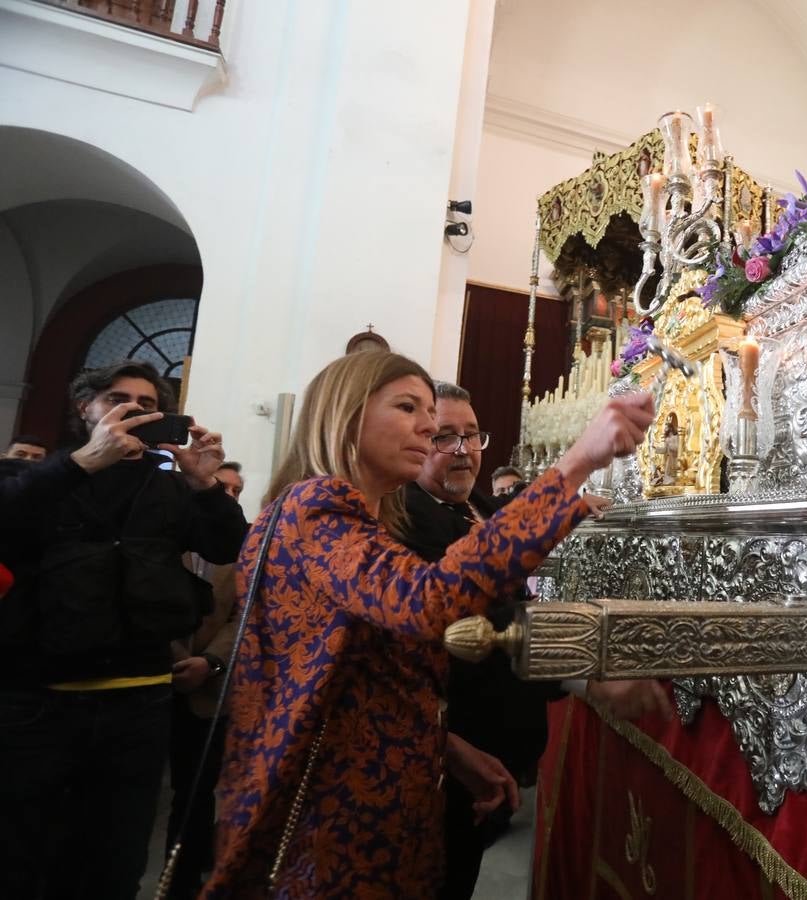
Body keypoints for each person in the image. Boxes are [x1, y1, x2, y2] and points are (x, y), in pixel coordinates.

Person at [203, 351, 654, 898]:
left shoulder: (354, 518)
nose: (429, 424)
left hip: (384, 803)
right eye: (406, 406)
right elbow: (430, 602)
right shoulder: (315, 506)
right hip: (337, 825)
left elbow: (369, 675)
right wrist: (577, 461)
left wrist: (448, 750)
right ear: (345, 415)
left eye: (429, 410)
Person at [404, 382, 671, 900]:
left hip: (488, 758)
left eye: (472, 435)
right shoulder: (413, 517)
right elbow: (491, 618)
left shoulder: (478, 505)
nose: (463, 450)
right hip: (445, 760)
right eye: (445, 438)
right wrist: (582, 676)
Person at [0, 359, 248, 900]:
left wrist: (205, 484)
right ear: (84, 408)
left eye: (148, 404)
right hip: (40, 702)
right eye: (118, 399)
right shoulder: (39, 477)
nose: (134, 409)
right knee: (23, 858)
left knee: (115, 862)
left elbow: (228, 548)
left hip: (136, 702)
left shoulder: (169, 489)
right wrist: (81, 466)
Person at [163, 460, 247, 899]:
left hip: (211, 689)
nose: (227, 496)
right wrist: (173, 654)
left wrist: (209, 662)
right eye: (220, 487)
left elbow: (246, 615)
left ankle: (181, 884)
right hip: (152, 684)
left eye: (234, 490)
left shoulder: (244, 550)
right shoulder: (165, 540)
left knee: (193, 795)